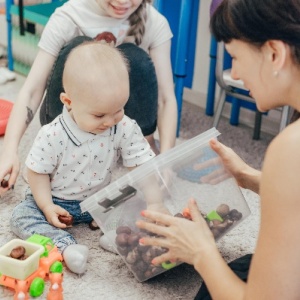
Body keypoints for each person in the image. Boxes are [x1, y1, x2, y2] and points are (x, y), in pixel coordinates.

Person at [136, 0, 300, 298]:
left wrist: (200, 251)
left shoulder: (291, 148)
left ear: (275, 53)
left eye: (234, 57)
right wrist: (249, 176)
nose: (234, 73)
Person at [0, 0, 177, 194]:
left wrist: (167, 160)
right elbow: (32, 89)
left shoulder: (155, 22)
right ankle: (60, 153)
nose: (123, 2)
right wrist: (9, 151)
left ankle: (141, 146)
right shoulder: (68, 16)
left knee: (135, 57)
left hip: (120, 131)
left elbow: (165, 98)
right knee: (79, 48)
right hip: (69, 131)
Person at [10, 41, 156, 274]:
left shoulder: (124, 126)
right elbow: (37, 172)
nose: (110, 121)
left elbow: (142, 165)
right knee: (20, 216)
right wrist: (47, 206)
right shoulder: (53, 134)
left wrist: (155, 202)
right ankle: (66, 247)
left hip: (101, 201)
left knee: (136, 195)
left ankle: (117, 235)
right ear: (68, 102)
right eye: (99, 115)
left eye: (119, 109)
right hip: (57, 201)